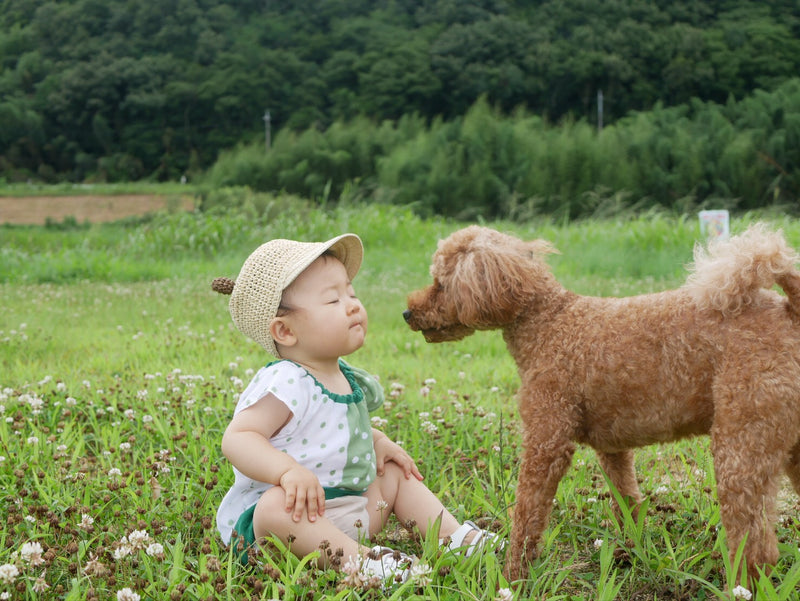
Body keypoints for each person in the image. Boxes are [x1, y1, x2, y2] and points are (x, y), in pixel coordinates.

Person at [212, 233, 499, 582]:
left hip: (348, 512)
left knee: (394, 472)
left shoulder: (344, 376)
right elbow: (239, 437)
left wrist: (377, 443)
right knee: (274, 506)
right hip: (288, 527)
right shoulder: (286, 380)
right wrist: (286, 472)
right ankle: (364, 563)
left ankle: (453, 538)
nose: (352, 305)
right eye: (333, 300)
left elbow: (339, 430)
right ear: (285, 331)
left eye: (351, 293)